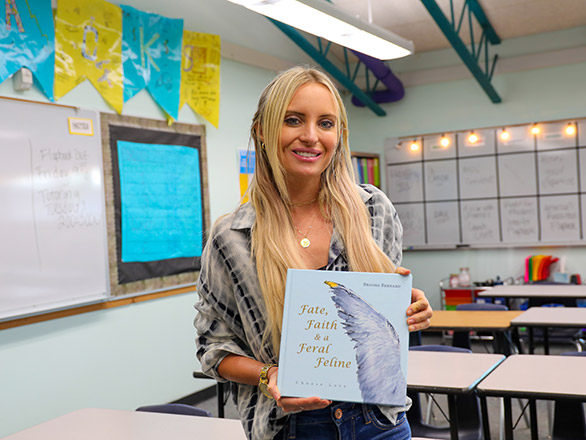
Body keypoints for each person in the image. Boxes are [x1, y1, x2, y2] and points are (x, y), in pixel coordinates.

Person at [194, 66, 433, 440]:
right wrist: (268, 375)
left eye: (326, 123)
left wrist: (411, 310)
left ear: (339, 134)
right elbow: (213, 346)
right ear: (262, 129)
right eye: (293, 120)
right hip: (290, 427)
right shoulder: (232, 237)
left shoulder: (373, 210)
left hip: (380, 421)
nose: (311, 137)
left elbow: (383, 313)